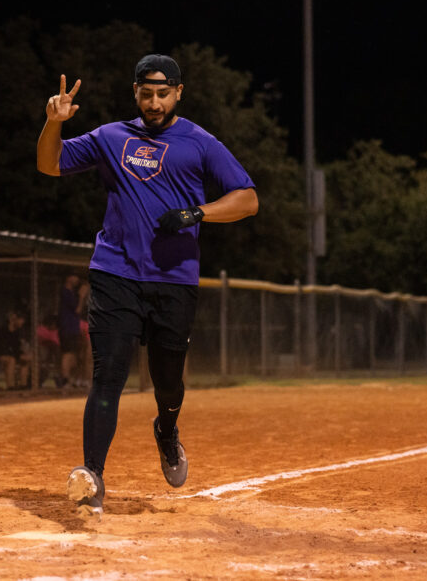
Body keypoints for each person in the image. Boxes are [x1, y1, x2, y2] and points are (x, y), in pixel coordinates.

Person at [37, 54, 258, 517]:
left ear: (179, 92)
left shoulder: (200, 142)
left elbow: (247, 199)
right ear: (134, 92)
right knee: (108, 376)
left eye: (163, 94)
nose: (154, 103)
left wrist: (198, 213)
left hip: (173, 280)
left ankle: (167, 430)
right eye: (146, 94)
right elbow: (49, 164)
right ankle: (92, 476)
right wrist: (54, 123)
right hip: (115, 273)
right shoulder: (111, 136)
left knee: (168, 383)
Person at [57, 274, 86, 388]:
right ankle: (64, 380)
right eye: (75, 276)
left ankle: (68, 378)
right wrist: (81, 296)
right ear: (68, 278)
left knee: (73, 355)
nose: (77, 279)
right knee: (67, 353)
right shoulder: (66, 292)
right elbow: (78, 309)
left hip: (72, 328)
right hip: (67, 327)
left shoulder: (71, 293)